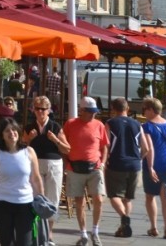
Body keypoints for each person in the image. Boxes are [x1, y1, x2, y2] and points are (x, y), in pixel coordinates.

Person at [0, 118, 45, 246]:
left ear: (18, 131)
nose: (11, 133)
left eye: (14, 129)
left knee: (25, 243)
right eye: (7, 131)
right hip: (2, 204)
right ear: (2, 135)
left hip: (25, 204)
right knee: (7, 243)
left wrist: (42, 200)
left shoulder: (29, 152)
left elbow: (36, 178)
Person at [62, 95, 109, 246]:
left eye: (94, 111)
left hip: (95, 166)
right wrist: (65, 162)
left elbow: (104, 146)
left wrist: (103, 163)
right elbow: (63, 145)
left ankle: (95, 231)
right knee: (79, 201)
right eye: (90, 111)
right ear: (81, 110)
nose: (93, 114)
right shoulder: (70, 124)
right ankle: (83, 233)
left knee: (99, 199)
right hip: (75, 167)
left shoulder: (99, 125)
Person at [23, 95, 65, 240]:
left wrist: (56, 140)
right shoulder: (29, 128)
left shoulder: (55, 127)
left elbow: (67, 149)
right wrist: (29, 139)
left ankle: (49, 233)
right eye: (37, 109)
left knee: (52, 197)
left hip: (54, 164)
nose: (40, 112)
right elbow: (20, 148)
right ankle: (35, 229)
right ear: (33, 110)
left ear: (48, 110)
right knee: (34, 197)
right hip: (34, 163)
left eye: (43, 109)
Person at [106, 97, 148, 238]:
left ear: (113, 109)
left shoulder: (110, 123)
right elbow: (146, 148)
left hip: (117, 163)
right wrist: (138, 159)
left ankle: (124, 217)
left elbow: (106, 145)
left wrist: (105, 161)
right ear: (127, 108)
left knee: (114, 195)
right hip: (134, 165)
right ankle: (124, 226)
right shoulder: (137, 124)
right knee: (128, 198)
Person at [141, 96, 166, 239]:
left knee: (150, 196)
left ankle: (154, 227)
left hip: (154, 165)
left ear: (151, 109)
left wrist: (150, 168)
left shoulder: (147, 126)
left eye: (145, 109)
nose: (144, 112)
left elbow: (149, 149)